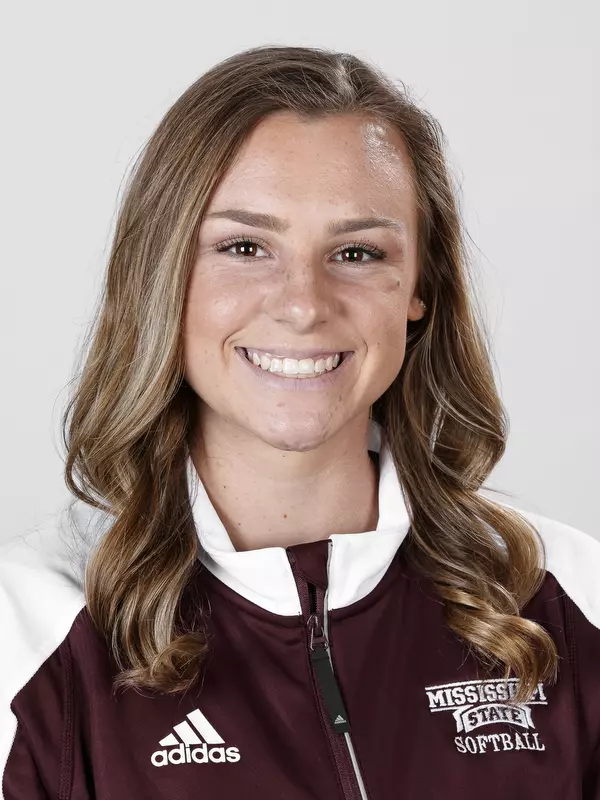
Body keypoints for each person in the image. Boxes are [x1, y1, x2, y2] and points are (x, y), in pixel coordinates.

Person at [1, 44, 598, 800]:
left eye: (355, 251)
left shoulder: (572, 596)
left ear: (420, 286)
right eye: (244, 246)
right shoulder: (26, 635)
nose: (304, 303)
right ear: (162, 276)